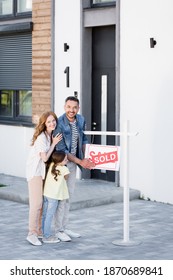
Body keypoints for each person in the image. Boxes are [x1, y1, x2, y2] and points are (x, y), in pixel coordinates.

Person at [53, 96, 95, 242]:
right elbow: (62, 149)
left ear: (78, 108)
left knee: (69, 196)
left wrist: (87, 157)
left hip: (74, 163)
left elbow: (83, 139)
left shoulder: (81, 120)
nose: (71, 110)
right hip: (62, 164)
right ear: (65, 107)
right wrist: (80, 162)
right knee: (61, 197)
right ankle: (58, 230)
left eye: (74, 107)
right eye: (69, 107)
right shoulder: (59, 123)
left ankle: (64, 227)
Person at [26, 111, 62, 246]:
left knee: (41, 204)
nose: (52, 123)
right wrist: (53, 144)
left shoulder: (50, 135)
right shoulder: (42, 138)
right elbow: (45, 158)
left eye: (53, 121)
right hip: (35, 172)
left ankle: (39, 231)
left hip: (43, 173)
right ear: (44, 124)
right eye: (49, 122)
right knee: (36, 204)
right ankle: (31, 233)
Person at [42, 151, 70, 243]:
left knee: (46, 215)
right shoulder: (64, 169)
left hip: (46, 194)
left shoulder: (52, 165)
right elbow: (66, 178)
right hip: (54, 196)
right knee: (50, 216)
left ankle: (44, 233)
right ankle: (47, 237)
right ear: (60, 161)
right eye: (65, 159)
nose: (67, 160)